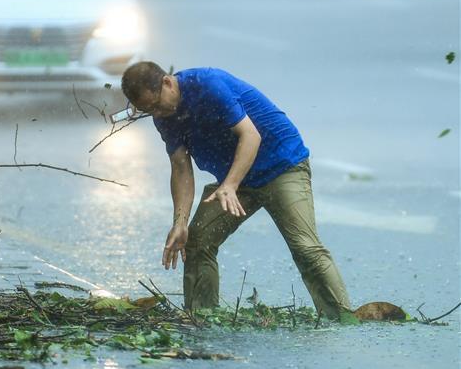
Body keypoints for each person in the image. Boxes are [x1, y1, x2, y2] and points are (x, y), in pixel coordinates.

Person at [120, 62, 351, 318]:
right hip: (238, 180)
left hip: (281, 165)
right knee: (196, 240)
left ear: (167, 83)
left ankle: (341, 318)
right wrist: (180, 221)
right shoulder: (164, 117)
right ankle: (202, 318)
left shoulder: (207, 85)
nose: (157, 113)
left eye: (156, 104)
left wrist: (229, 185)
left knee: (305, 248)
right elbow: (180, 167)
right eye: (148, 110)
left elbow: (250, 136)